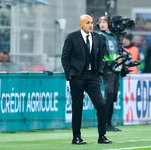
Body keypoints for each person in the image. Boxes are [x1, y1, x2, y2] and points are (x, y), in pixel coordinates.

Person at [61, 14, 112, 144]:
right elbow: (65, 57)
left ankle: (102, 136)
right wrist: (70, 74)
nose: (91, 25)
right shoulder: (72, 37)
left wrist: (99, 71)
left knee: (101, 104)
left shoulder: (97, 38)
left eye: (91, 22)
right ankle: (76, 137)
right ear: (80, 24)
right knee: (77, 107)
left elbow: (100, 56)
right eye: (87, 22)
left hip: (92, 76)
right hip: (77, 77)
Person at [97, 16, 121, 132]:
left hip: (116, 69)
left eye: (104, 22)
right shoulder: (101, 36)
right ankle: (104, 123)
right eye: (100, 22)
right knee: (109, 94)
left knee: (113, 96)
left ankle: (109, 123)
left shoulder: (113, 37)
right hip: (108, 69)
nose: (102, 24)